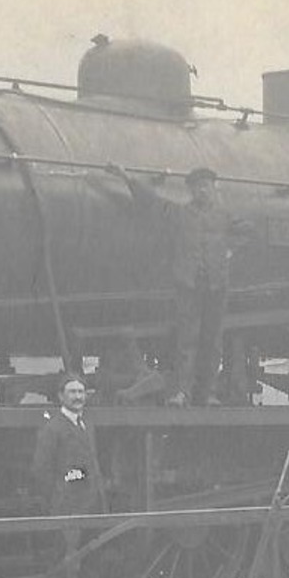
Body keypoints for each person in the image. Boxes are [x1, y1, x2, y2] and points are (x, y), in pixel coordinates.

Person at [108, 163, 253, 407]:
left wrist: (228, 251)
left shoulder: (224, 216)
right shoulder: (181, 214)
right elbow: (152, 203)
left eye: (206, 187)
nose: (202, 191)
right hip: (189, 285)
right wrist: (127, 177)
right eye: (197, 188)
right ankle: (183, 392)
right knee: (188, 340)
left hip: (217, 286)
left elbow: (248, 230)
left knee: (213, 341)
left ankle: (208, 393)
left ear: (213, 188)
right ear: (191, 191)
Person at [30, 374, 106, 578]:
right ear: (61, 396)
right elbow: (43, 471)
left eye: (81, 392)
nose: (77, 396)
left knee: (90, 563)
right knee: (59, 564)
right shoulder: (53, 428)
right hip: (66, 507)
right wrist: (73, 482)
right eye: (72, 392)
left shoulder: (87, 424)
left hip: (89, 505)